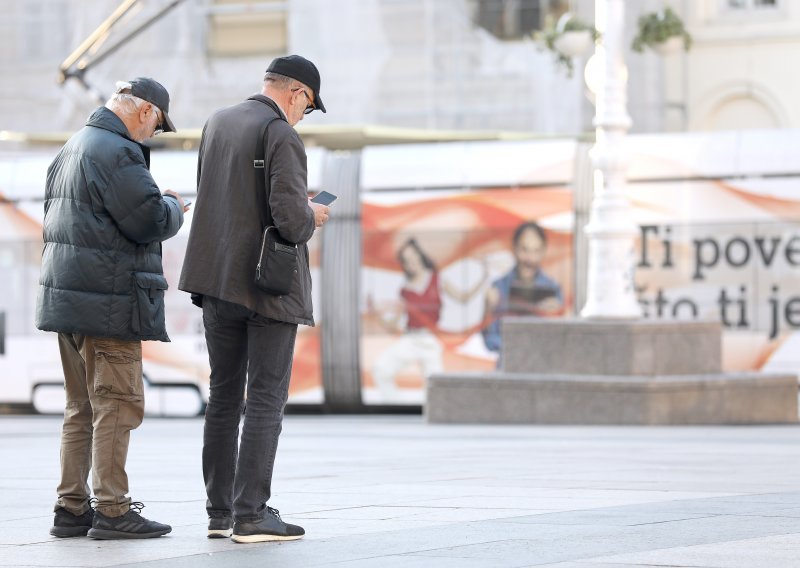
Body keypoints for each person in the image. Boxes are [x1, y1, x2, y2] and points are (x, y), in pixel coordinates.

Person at [178, 55, 329, 544]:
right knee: (264, 397)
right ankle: (252, 513)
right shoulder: (281, 133)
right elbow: (290, 221)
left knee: (223, 395)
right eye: (308, 106)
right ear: (297, 93)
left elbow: (218, 197)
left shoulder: (217, 122)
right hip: (266, 287)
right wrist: (312, 216)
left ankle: (220, 512)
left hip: (216, 281)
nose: (303, 115)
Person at [36, 78, 186, 539]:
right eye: (157, 125)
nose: (152, 135)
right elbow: (150, 220)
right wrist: (173, 205)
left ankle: (72, 507)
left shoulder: (72, 146)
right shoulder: (118, 152)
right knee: (117, 405)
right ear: (144, 112)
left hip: (67, 298)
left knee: (80, 405)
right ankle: (114, 511)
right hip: (108, 302)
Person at [371, 238, 486, 398]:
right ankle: (402, 406)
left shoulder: (436, 279)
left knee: (435, 388)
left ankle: (429, 413)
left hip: (430, 340)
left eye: (413, 256)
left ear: (419, 255)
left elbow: (463, 297)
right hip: (410, 339)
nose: (411, 262)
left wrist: (484, 277)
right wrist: (376, 314)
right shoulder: (405, 290)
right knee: (381, 369)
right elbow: (393, 325)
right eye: (406, 260)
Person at [482, 221, 563, 355]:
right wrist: (488, 312)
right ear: (514, 248)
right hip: (508, 367)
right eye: (524, 249)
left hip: (541, 368)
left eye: (536, 251)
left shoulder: (553, 289)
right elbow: (490, 342)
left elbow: (560, 343)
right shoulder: (499, 287)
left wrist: (557, 319)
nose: (530, 258)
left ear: (543, 251)